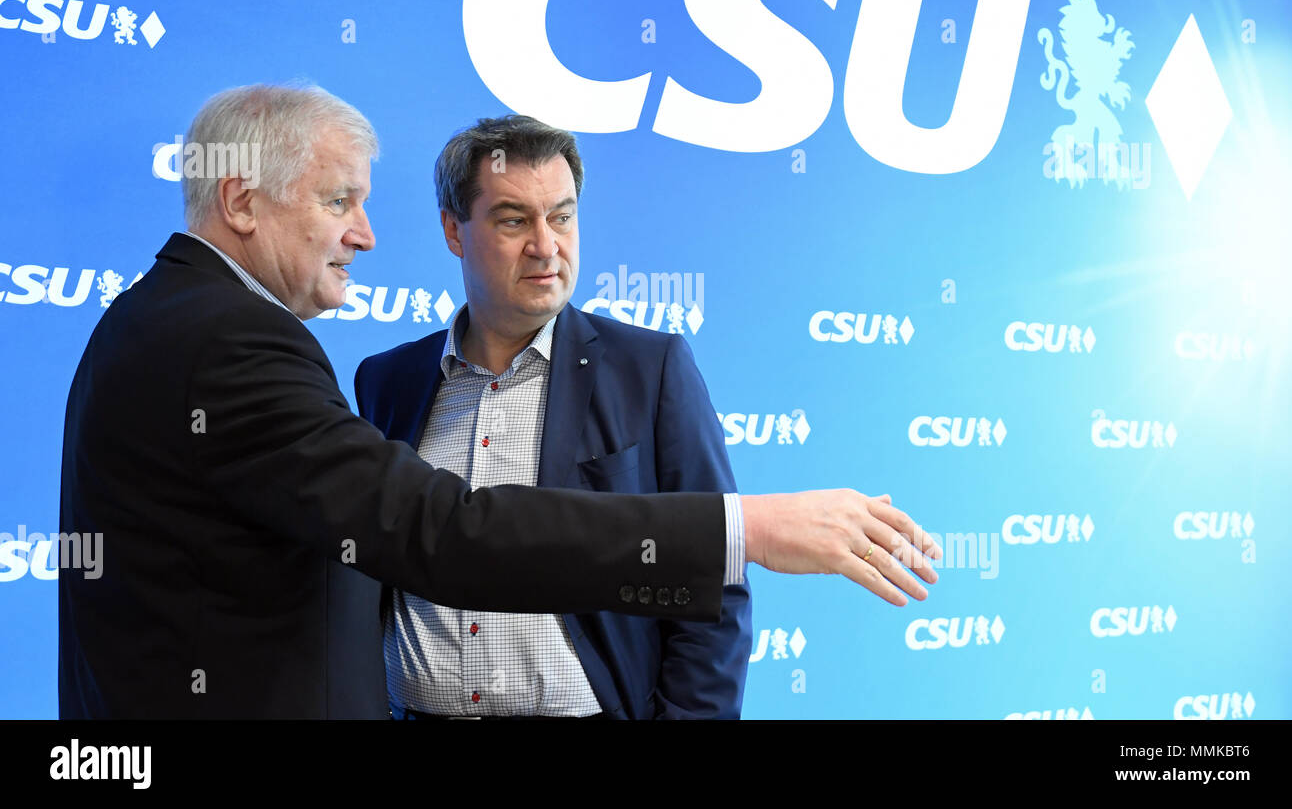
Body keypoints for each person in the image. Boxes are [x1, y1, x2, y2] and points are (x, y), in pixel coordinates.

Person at [57, 84, 942, 719]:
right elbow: (441, 533)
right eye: (338, 202)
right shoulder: (272, 351)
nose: (363, 233)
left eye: (563, 216)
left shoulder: (653, 369)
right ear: (241, 202)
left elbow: (708, 619)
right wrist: (744, 527)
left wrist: (726, 547)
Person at [354, 116, 750, 719]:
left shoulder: (651, 370)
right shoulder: (389, 382)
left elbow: (713, 584)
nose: (546, 245)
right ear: (453, 231)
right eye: (514, 220)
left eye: (561, 216)